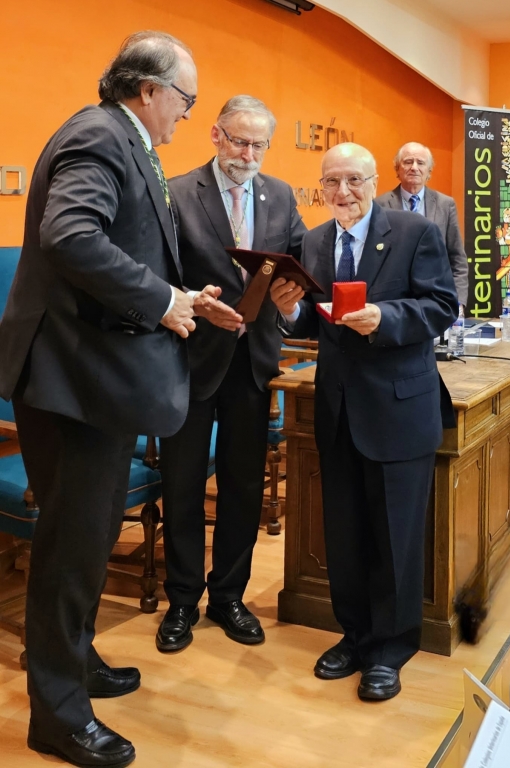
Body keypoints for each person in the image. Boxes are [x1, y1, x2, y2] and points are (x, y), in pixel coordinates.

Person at [0, 31, 238, 767]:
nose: (186, 116)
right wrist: (162, 297)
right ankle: (57, 716)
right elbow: (70, 235)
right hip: (70, 383)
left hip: (92, 379)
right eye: (186, 101)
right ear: (149, 90)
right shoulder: (100, 134)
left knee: (93, 537)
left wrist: (180, 297)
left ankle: (77, 666)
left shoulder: (121, 139)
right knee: (72, 548)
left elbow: (121, 254)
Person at [270, 143, 457, 701]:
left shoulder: (415, 231)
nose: (343, 192)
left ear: (375, 181)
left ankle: (389, 650)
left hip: (400, 410)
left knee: (396, 541)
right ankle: (353, 636)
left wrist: (386, 317)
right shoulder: (315, 241)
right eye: (332, 182)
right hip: (338, 411)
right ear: (321, 187)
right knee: (344, 537)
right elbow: (313, 315)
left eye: (354, 180)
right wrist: (286, 309)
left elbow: (442, 305)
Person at [156, 95, 307, 653]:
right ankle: (180, 601)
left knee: (243, 484)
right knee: (184, 483)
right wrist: (190, 302)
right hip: (190, 358)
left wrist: (292, 304)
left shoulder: (282, 195)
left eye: (259, 145)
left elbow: (296, 275)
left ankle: (229, 597)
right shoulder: (175, 192)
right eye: (239, 141)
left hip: (253, 362)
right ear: (216, 135)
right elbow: (156, 272)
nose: (248, 153)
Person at [376, 141, 468, 306]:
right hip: (394, 302)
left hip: (435, 298)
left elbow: (457, 258)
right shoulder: (379, 206)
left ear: (429, 171)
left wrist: (458, 303)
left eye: (420, 162)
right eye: (408, 162)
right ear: (397, 168)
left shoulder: (445, 204)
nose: (414, 167)